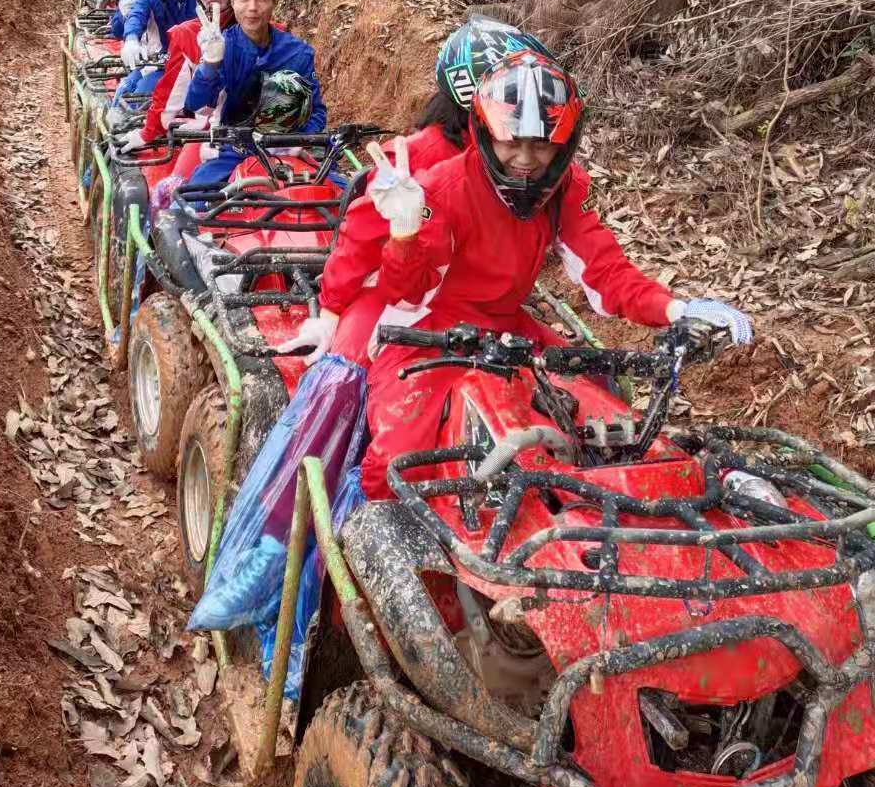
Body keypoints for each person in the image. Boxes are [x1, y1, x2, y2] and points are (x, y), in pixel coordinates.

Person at [190, 40, 754, 636]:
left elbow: (604, 270)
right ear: (483, 128)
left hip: (509, 323)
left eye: (542, 145)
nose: (527, 161)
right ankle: (333, 573)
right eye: (515, 142)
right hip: (428, 327)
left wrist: (675, 307)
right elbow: (407, 287)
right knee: (396, 455)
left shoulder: (563, 191)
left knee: (600, 407)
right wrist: (386, 251)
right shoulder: (433, 178)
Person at [289, 17, 558, 365]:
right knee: (344, 373)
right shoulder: (416, 157)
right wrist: (331, 311)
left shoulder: (526, 164)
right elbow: (360, 239)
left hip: (486, 306)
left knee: (583, 378)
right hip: (402, 298)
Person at [178, 0, 327, 193]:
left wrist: (300, 140)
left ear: (275, 1)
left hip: (286, 146)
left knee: (340, 194)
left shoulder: (298, 52)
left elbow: (316, 111)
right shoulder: (221, 45)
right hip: (234, 148)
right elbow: (197, 104)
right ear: (233, 1)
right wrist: (210, 64)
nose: (252, 8)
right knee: (194, 199)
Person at [116, 0, 239, 151]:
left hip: (256, 130)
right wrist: (130, 36)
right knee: (125, 93)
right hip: (155, 63)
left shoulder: (265, 31)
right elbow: (170, 91)